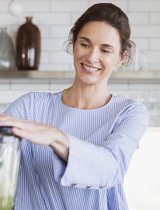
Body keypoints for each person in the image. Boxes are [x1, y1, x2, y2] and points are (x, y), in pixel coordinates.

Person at [0, 3, 149, 210]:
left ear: (121, 58)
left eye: (105, 49)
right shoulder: (30, 106)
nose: (91, 57)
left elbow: (110, 168)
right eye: (85, 44)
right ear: (73, 44)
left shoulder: (129, 112)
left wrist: (55, 137)